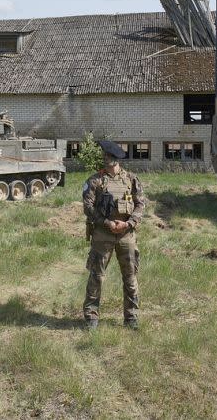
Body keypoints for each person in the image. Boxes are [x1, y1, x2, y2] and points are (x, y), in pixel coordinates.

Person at [82, 140, 145, 330]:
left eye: (109, 156)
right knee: (97, 276)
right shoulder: (94, 181)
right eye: (104, 156)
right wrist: (106, 222)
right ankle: (91, 317)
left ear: (117, 158)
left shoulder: (131, 179)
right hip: (103, 235)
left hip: (126, 235)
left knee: (130, 276)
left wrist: (128, 223)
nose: (105, 158)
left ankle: (131, 317)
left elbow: (141, 204)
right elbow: (88, 207)